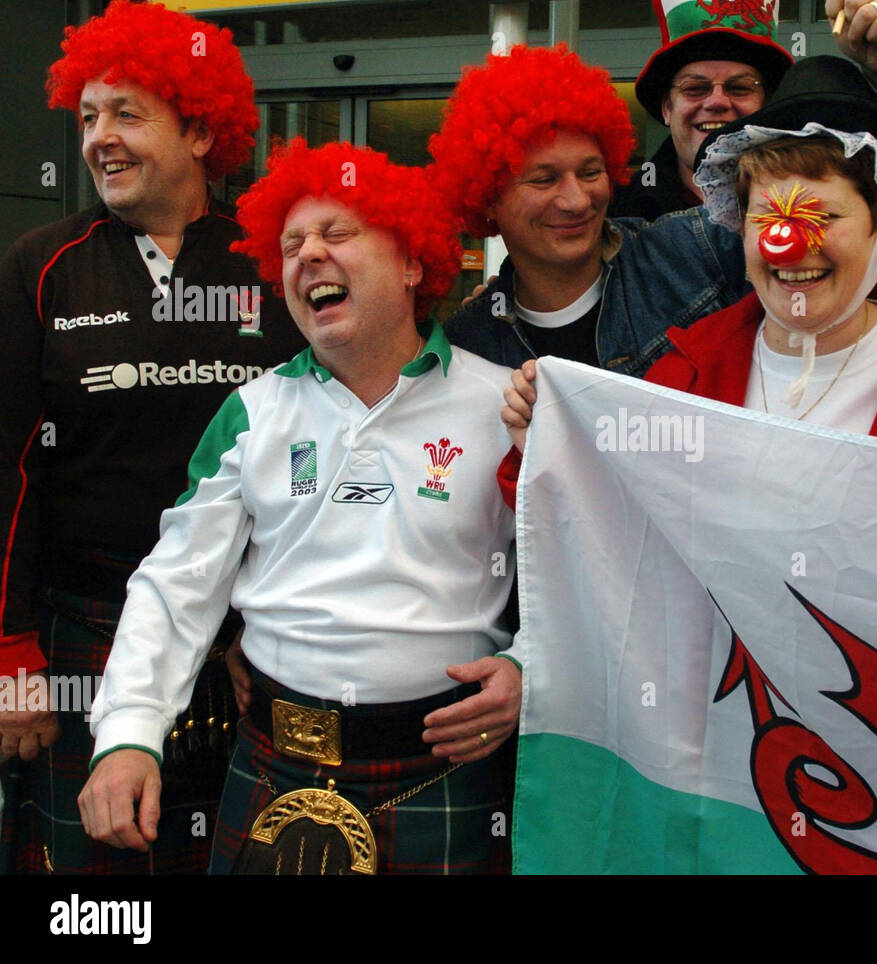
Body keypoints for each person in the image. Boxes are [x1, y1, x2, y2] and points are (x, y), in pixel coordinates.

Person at [77, 140, 521, 875]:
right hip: (272, 762)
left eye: (338, 233)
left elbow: (579, 575)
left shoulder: (505, 403)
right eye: (291, 245)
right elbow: (176, 584)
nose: (309, 253)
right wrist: (128, 731)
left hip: (447, 774)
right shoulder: (251, 413)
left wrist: (528, 666)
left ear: (413, 263)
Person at [0, 0, 303, 874]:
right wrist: (11, 646)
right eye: (90, 115)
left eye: (128, 113)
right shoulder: (39, 265)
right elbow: (6, 471)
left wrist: (268, 621)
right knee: (94, 892)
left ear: (202, 130)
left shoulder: (275, 259)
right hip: (75, 638)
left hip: (249, 647)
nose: (100, 138)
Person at [501, 56, 877, 471]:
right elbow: (622, 542)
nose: (790, 244)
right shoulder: (679, 381)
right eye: (768, 216)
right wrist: (545, 453)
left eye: (823, 216)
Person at [434, 39, 877, 379]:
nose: (577, 199)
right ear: (487, 197)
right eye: (544, 180)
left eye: (590, 172)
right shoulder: (470, 338)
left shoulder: (696, 248)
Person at [612, 0, 877, 221]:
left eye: (740, 87)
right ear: (667, 109)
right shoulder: (616, 213)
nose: (717, 101)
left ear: (768, 103)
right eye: (695, 88)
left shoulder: (822, 200)